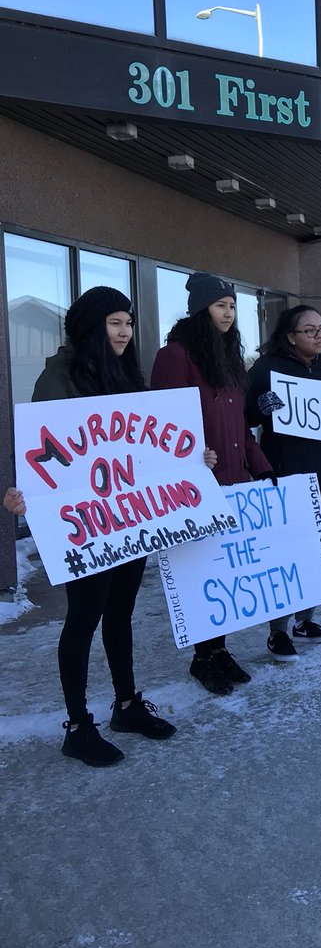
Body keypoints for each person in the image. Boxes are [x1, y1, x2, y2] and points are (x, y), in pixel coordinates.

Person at [2, 286, 176, 767]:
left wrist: (190, 461)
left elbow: (150, 443)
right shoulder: (59, 375)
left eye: (128, 323)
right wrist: (24, 493)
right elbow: (42, 448)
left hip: (129, 517)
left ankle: (126, 705)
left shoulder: (127, 373)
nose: (124, 333)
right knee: (85, 616)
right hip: (85, 525)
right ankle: (78, 726)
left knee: (121, 610)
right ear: (90, 326)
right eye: (114, 323)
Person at [151, 272, 274, 693]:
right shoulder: (176, 356)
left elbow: (240, 425)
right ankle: (201, 658)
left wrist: (263, 467)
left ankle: (218, 649)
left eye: (232, 305)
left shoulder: (229, 357)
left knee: (225, 572)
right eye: (221, 305)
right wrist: (188, 463)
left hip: (235, 482)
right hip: (195, 487)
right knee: (200, 573)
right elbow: (161, 428)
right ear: (201, 309)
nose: (228, 312)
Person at [246, 304, 321, 658]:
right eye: (310, 331)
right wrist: (262, 405)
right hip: (286, 472)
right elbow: (244, 414)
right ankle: (278, 631)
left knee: (320, 551)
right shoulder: (267, 367)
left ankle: (306, 620)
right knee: (286, 552)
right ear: (290, 336)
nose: (320, 336)